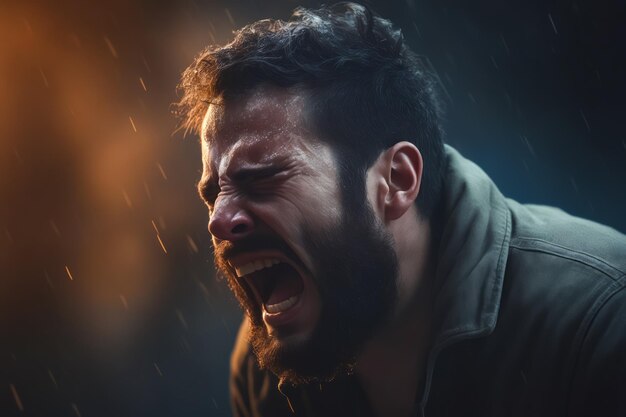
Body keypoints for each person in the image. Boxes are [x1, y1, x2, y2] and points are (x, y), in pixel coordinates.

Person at [176, 3, 626, 416]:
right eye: (213, 194)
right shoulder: (263, 375)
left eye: (261, 177)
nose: (218, 220)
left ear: (396, 180)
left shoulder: (600, 325)